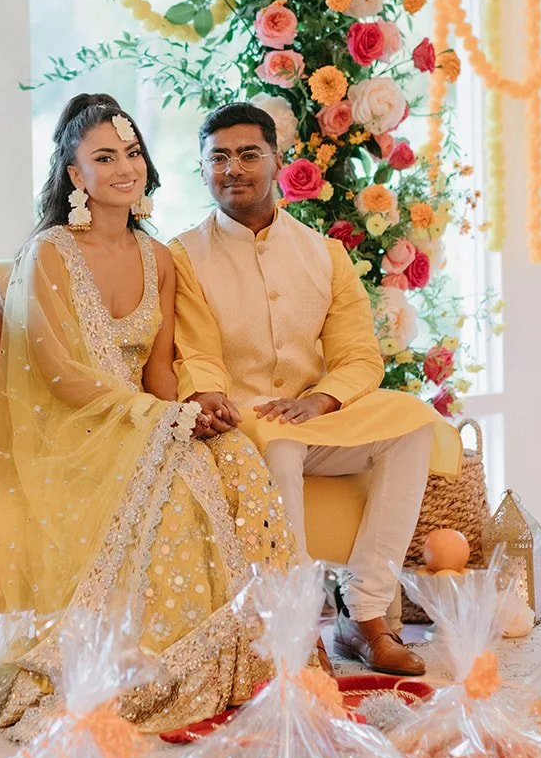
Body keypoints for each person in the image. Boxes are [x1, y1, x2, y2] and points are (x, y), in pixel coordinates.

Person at [0, 93, 293, 736]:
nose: (124, 167)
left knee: (237, 459)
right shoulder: (49, 254)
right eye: (104, 157)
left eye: (133, 152)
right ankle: (151, 671)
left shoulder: (158, 257)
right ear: (75, 175)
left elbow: (160, 369)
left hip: (146, 417)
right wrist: (160, 420)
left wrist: (190, 410)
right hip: (76, 433)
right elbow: (59, 375)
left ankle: (254, 657)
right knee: (181, 485)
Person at [171, 102, 461, 677]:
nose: (234, 168)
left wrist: (320, 400)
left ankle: (366, 615)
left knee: (410, 422)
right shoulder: (184, 256)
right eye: (218, 158)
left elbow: (358, 355)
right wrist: (210, 396)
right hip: (246, 420)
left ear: (277, 161)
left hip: (317, 414)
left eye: (248, 154)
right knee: (278, 444)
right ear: (202, 170)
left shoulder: (322, 253)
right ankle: (297, 628)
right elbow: (195, 352)